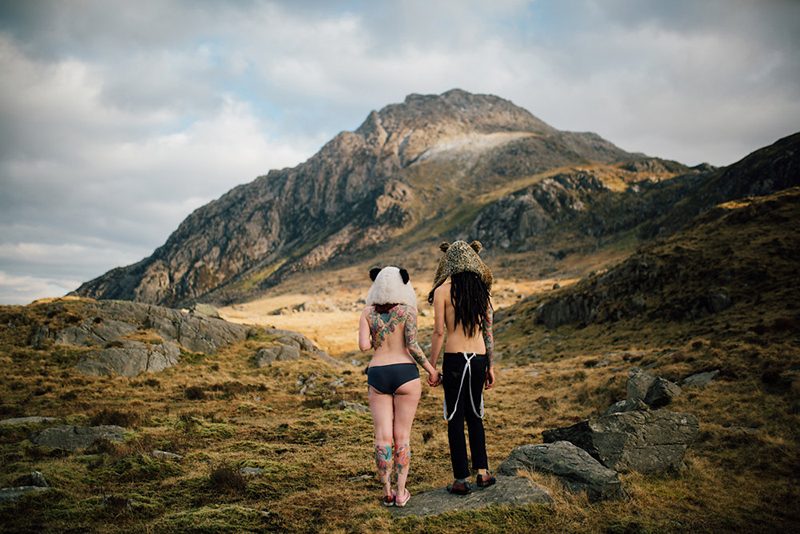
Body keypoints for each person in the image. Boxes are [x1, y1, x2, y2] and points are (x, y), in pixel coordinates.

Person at [358, 266, 440, 507]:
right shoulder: (408, 311)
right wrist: (432, 370)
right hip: (405, 373)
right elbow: (413, 346)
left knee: (382, 438)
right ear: (403, 283)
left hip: (378, 374)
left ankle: (387, 492)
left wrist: (377, 337)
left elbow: (364, 346)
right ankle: (402, 492)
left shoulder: (367, 312)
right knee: (402, 438)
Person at [427, 240, 496, 495]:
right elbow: (488, 332)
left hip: (455, 359)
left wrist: (431, 366)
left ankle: (460, 479)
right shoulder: (482, 291)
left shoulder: (442, 291)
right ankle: (484, 472)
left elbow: (438, 332)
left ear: (448, 263)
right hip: (478, 358)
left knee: (455, 417)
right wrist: (491, 365)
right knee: (476, 415)